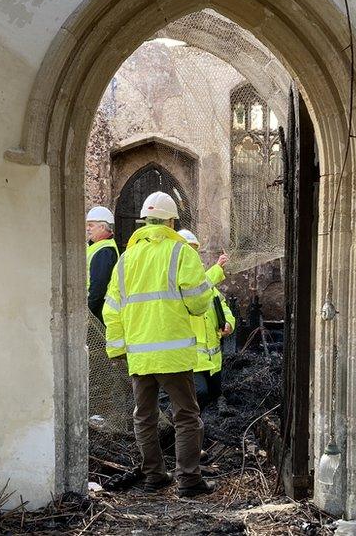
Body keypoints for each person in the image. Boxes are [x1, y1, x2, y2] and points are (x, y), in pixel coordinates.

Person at [102, 191, 217, 497]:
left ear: (144, 220)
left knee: (144, 416)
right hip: (173, 355)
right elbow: (198, 302)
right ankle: (189, 480)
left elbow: (111, 309)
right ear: (171, 220)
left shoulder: (126, 259)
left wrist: (117, 349)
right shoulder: (181, 253)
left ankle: (154, 475)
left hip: (139, 357)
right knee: (186, 416)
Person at [177, 229, 234, 412]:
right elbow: (197, 292)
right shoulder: (177, 283)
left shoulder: (205, 283)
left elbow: (222, 306)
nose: (192, 254)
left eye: (194, 250)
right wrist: (217, 269)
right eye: (188, 249)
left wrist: (228, 323)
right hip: (192, 361)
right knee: (199, 394)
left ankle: (200, 430)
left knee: (212, 396)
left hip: (212, 360)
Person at [85, 206, 119, 323]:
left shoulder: (104, 251)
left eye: (91, 225)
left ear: (102, 227)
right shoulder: (98, 247)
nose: (87, 229)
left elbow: (98, 288)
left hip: (98, 312)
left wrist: (88, 312)